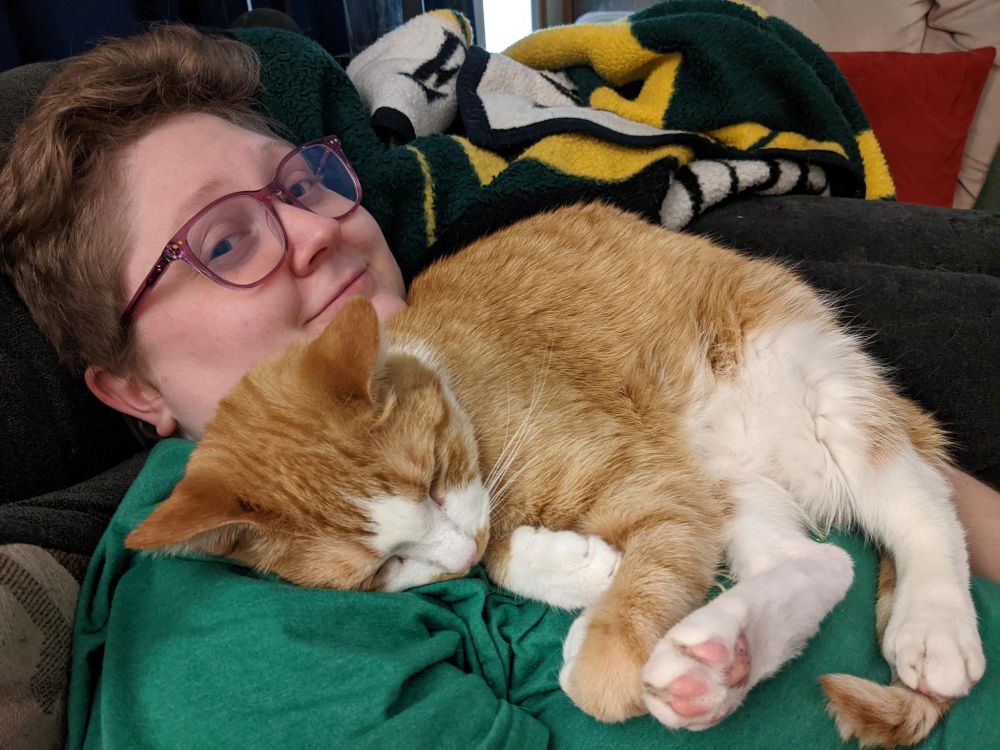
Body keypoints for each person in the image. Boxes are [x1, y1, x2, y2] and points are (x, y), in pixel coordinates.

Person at [0, 22, 997, 748]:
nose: (316, 231)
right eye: (225, 240)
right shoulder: (232, 656)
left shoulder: (440, 363)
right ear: (132, 390)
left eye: (302, 182)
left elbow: (862, 461)